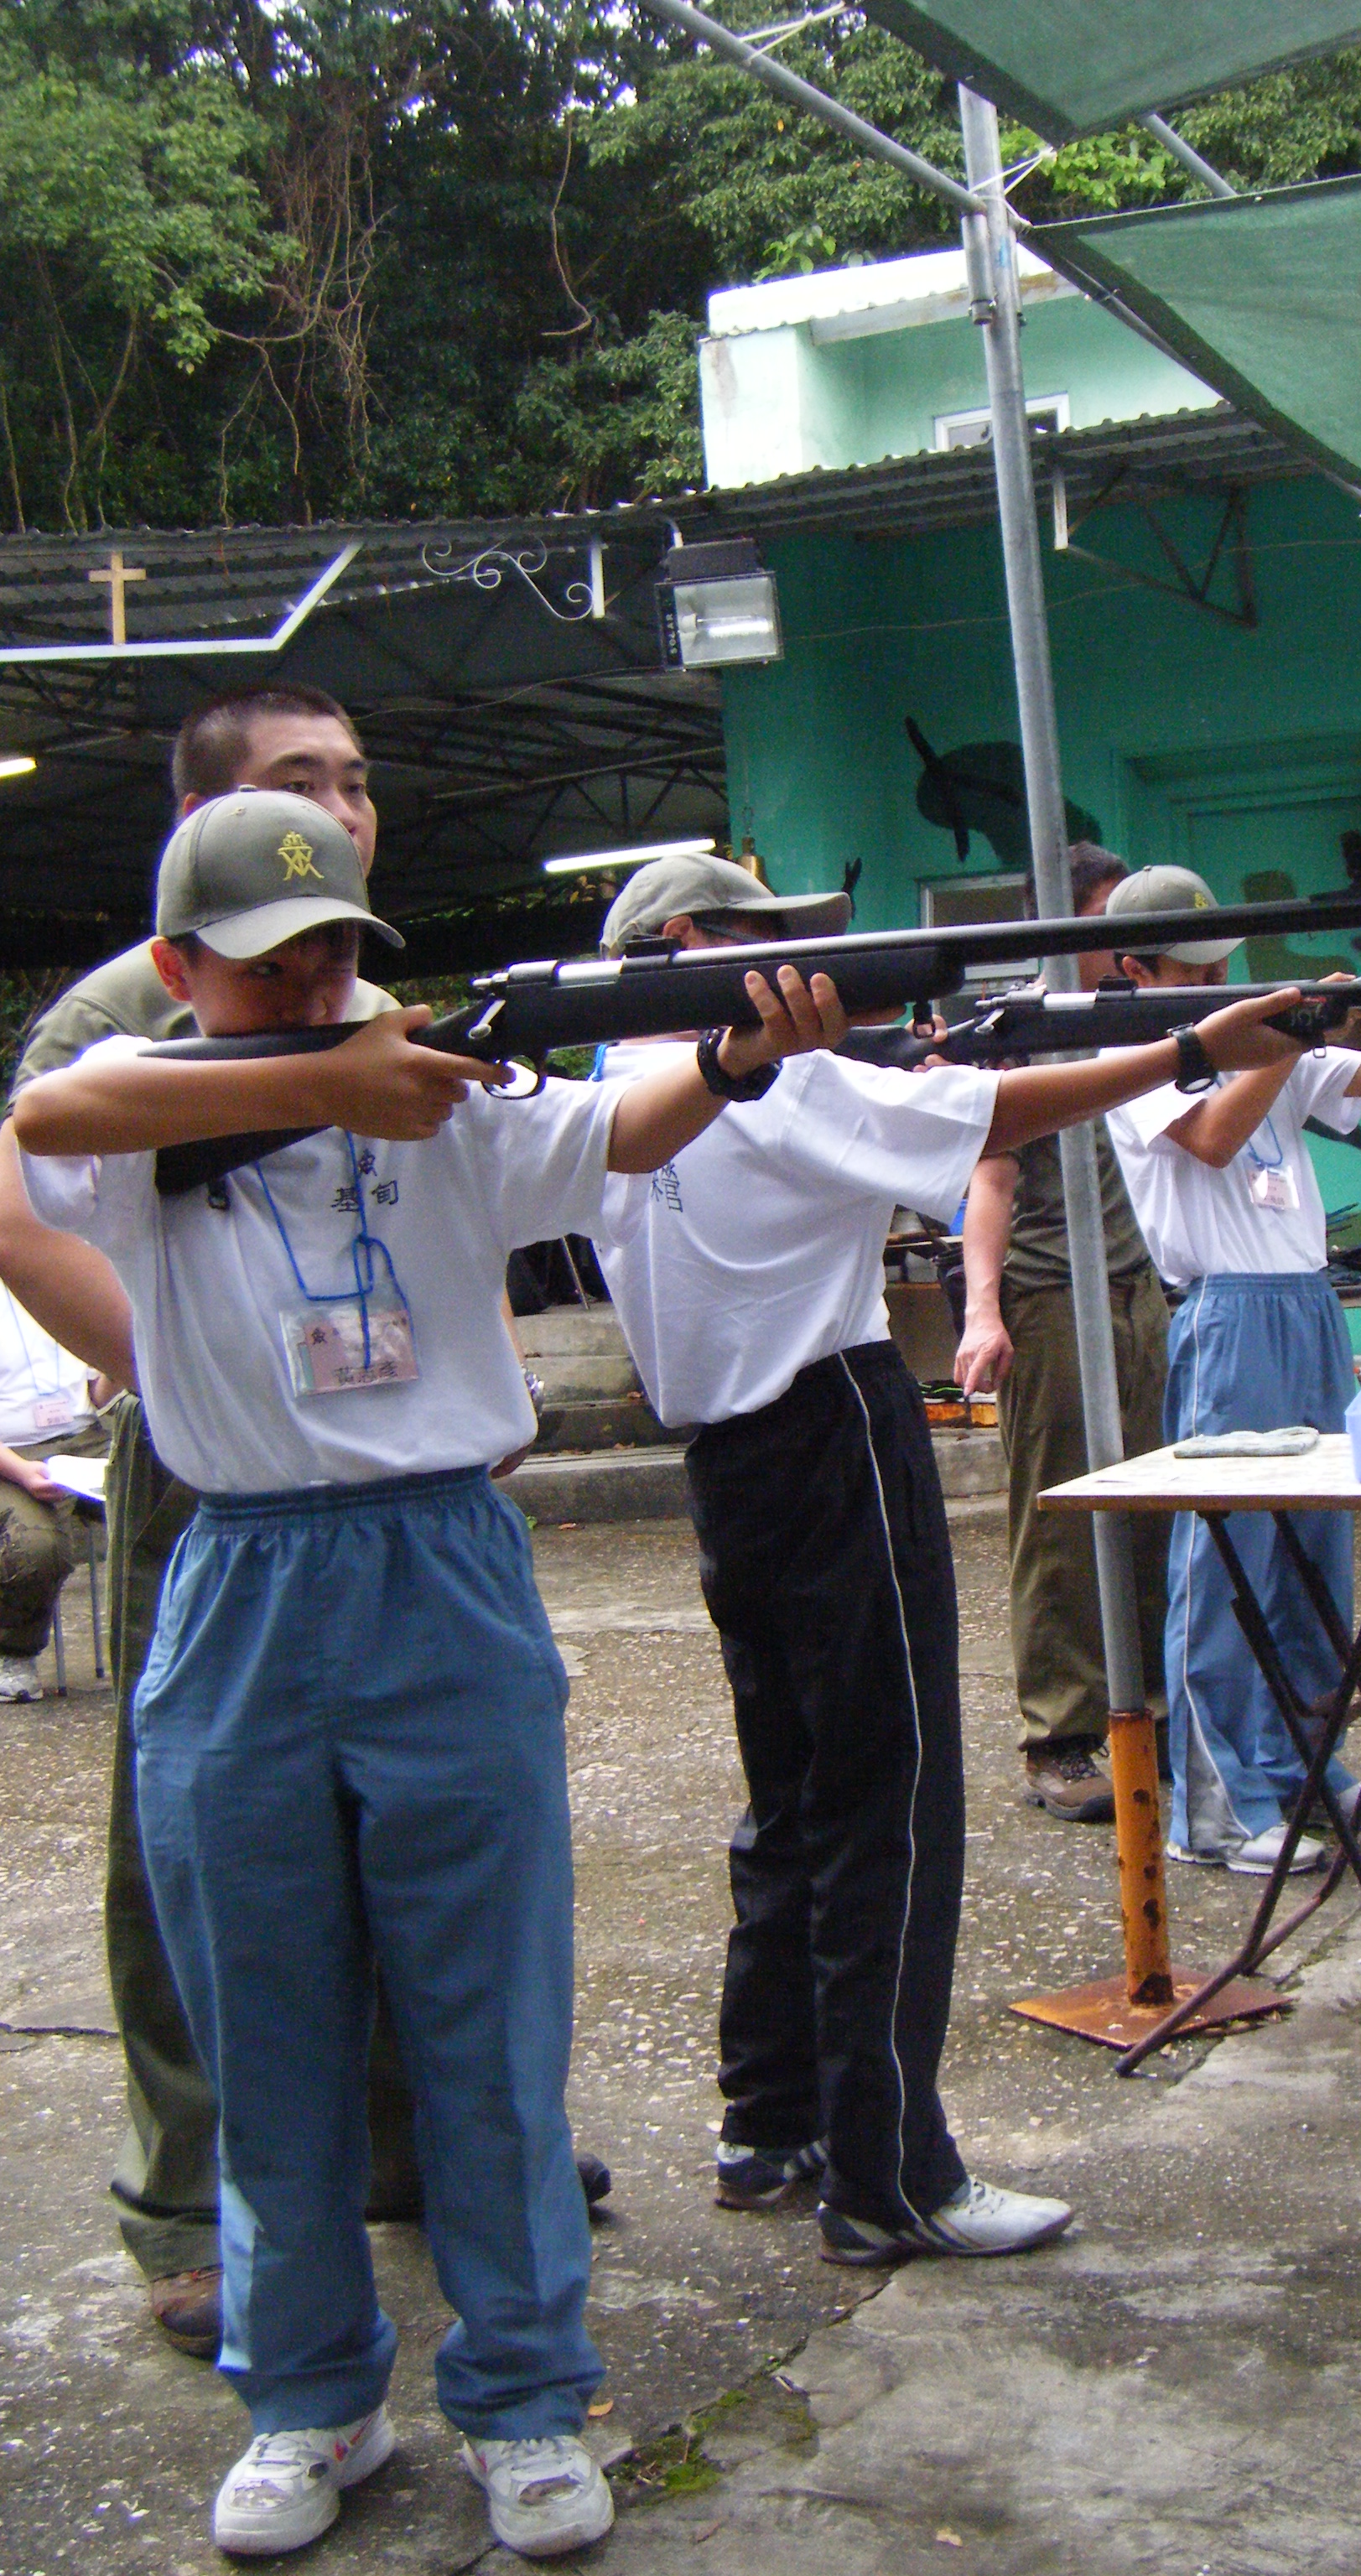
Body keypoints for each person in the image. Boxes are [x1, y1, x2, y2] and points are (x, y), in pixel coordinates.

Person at [11, 788, 844, 2560]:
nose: (316, 987)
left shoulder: (447, 1094)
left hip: (442, 1565)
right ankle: (307, 2395)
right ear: (177, 971)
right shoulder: (168, 1106)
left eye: (337, 958)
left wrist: (745, 1058)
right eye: (267, 965)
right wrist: (322, 1077)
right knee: (267, 2027)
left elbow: (624, 1131)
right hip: (237, 1576)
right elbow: (48, 1114)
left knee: (487, 2017)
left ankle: (529, 2397)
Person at [0, 684, 613, 2362]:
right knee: (203, 1880)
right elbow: (28, 1183)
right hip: (209, 1477)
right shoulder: (132, 1011)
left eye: (353, 781)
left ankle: (435, 2174)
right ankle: (197, 2211)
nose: (337, 806)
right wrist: (202, 1379)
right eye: (294, 783)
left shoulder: (377, 998)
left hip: (400, 1499)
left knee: (450, 1886)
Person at [589, 854, 1315, 2267]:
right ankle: (888, 2171)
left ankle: (771, 2115)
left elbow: (939, 1095)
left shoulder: (609, 1094)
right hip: (836, 1429)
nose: (808, 965)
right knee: (891, 1810)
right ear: (691, 945)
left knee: (796, 1797)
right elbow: (996, 1111)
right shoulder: (771, 1081)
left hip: (731, 1462)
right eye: (768, 944)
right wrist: (1184, 1045)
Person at [1101, 865, 1361, 1876]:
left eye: (1226, 963)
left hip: (1305, 1301)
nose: (1220, 980)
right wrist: (1291, 1033)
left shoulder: (1254, 1042)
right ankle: (1216, 1804)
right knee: (1228, 1564)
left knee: (1316, 1550)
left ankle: (1308, 1766)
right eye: (1195, 965)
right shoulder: (1134, 1052)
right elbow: (1216, 1139)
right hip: (1226, 1310)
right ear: (1137, 967)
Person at [953, 842, 1169, 1824]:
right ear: (1067, 923)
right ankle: (1062, 1737)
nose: (1127, 933)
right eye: (1108, 915)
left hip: (1133, 1289)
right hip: (1048, 1297)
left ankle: (1149, 1704)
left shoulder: (1129, 1019)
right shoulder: (1022, 1032)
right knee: (1060, 1525)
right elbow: (990, 1178)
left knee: (1157, 1506)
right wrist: (983, 1308)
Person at [0, 1281, 105, 1697]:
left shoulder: (62, 1279)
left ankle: (162, 1643)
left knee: (167, 1498)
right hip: (11, 1452)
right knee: (37, 1548)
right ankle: (14, 1651)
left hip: (83, 1437)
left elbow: (97, 1395)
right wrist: (22, 1472)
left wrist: (117, 1365)